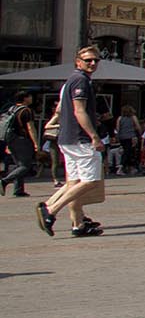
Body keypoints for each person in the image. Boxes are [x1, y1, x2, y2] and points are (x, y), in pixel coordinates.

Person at [38, 46, 107, 238]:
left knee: (74, 183)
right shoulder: (80, 81)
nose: (93, 63)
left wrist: (53, 123)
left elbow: (60, 109)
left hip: (67, 138)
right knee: (90, 181)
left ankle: (78, 224)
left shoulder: (70, 81)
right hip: (80, 139)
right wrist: (94, 136)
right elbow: (79, 110)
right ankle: (50, 209)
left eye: (96, 60)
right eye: (88, 60)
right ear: (78, 62)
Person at [1, 93, 37, 198]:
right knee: (25, 166)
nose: (31, 98)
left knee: (19, 165)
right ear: (25, 98)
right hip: (22, 140)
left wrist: (8, 143)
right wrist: (35, 143)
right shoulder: (26, 111)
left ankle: (18, 190)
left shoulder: (12, 109)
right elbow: (30, 128)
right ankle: (4, 181)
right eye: (30, 96)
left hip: (10, 139)